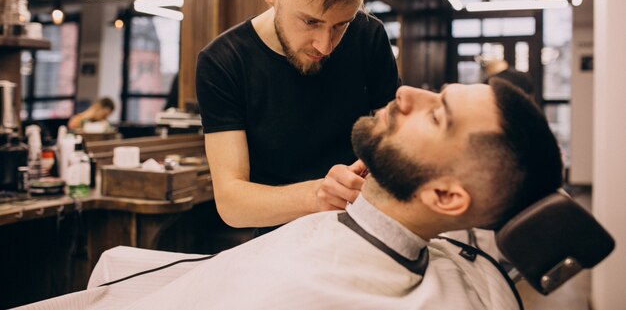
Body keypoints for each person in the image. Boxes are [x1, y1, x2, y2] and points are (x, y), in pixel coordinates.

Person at [18, 79, 563, 310]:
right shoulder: (452, 243)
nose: (406, 92)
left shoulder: (303, 290)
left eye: (436, 113)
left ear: (446, 196)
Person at [196, 0, 400, 230]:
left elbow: (394, 139)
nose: (326, 45)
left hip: (361, 225)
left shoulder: (369, 36)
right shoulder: (223, 62)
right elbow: (231, 202)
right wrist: (318, 195)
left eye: (341, 25)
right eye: (310, 22)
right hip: (276, 238)